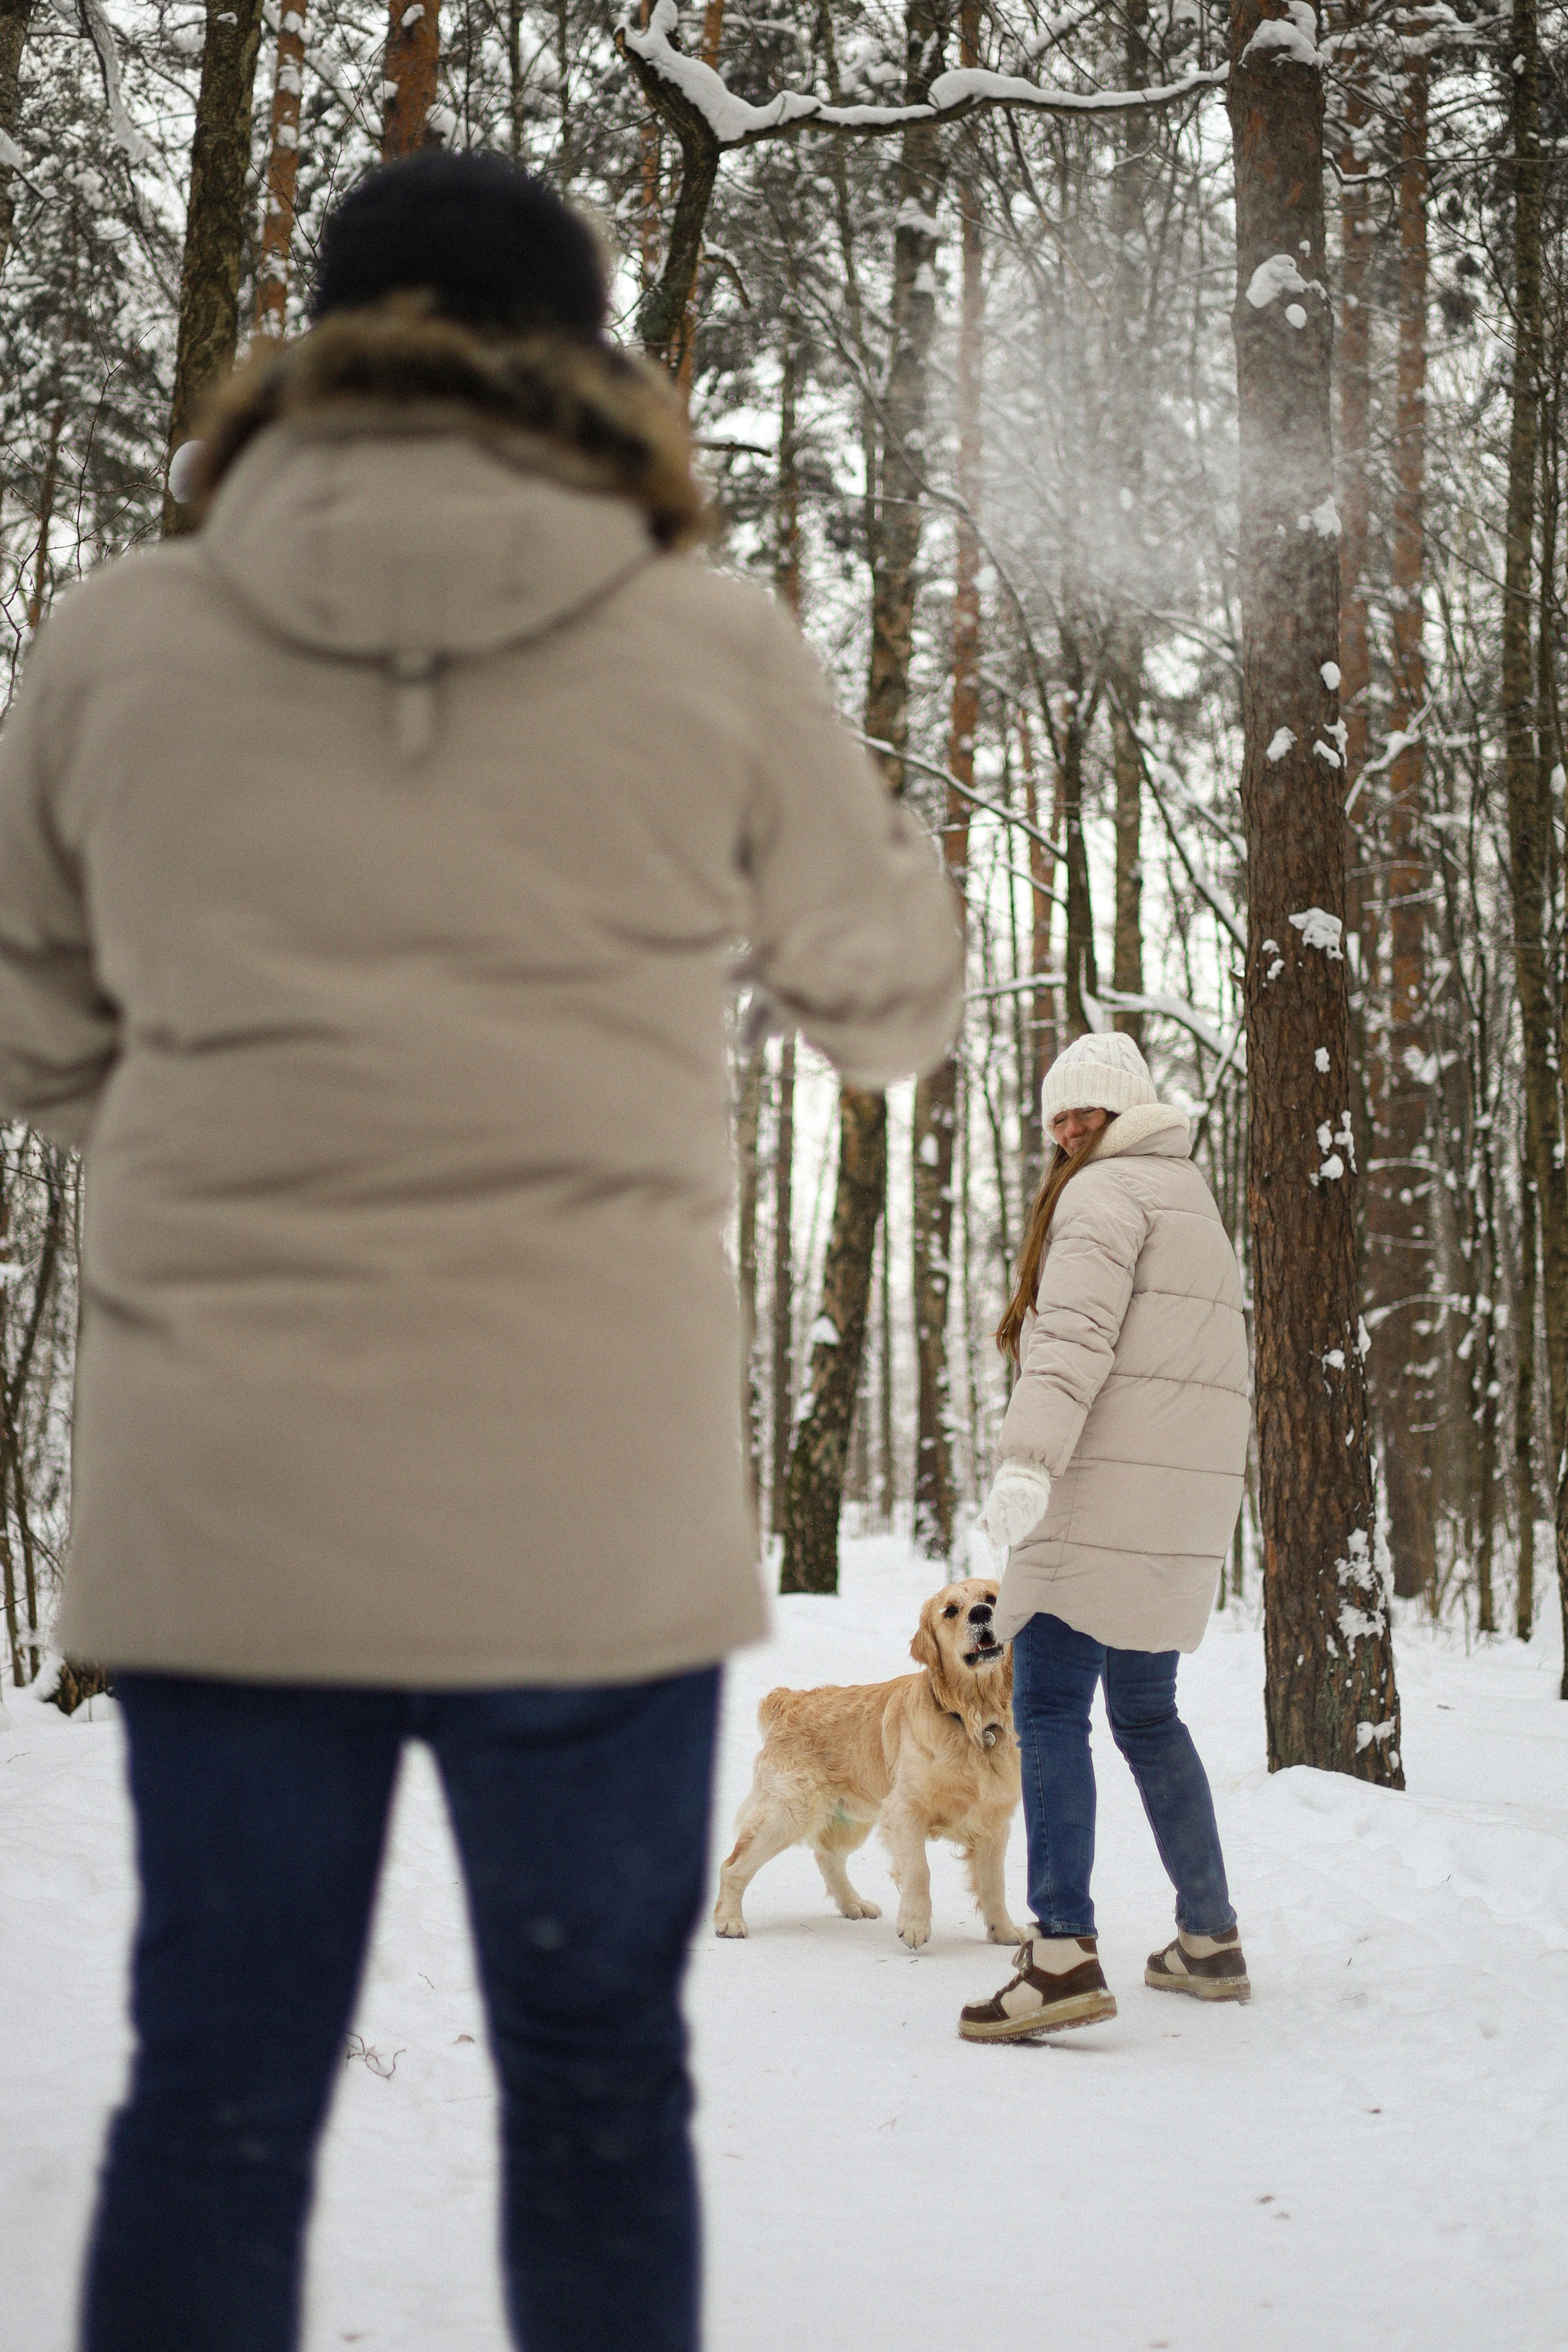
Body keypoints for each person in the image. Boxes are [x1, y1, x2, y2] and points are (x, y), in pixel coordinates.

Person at [0, 153, 962, 2351]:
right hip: (583, 1518)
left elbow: (33, 1035)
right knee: (601, 2093)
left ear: (322, 355)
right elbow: (890, 1002)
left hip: (231, 1505)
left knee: (217, 2099)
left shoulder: (120, 638)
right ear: (583, 367)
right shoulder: (700, 633)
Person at [959, 1031, 1250, 2043]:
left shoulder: (1099, 1197)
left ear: (1126, 1112)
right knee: (1147, 1716)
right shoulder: (1191, 1202)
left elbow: (1075, 1342)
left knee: (1044, 1707)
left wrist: (1027, 1466)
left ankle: (1060, 1955)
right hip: (1175, 1508)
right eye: (1059, 1117)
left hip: (1096, 1498)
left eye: (1087, 1112)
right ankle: (1209, 1937)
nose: (1071, 1129)